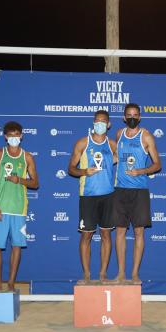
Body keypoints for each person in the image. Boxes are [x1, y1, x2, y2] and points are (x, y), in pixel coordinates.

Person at [0, 121, 39, 293]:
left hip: (19, 210)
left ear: (22, 136)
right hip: (0, 208)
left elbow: (35, 183)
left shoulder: (27, 157)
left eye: (17, 135)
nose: (14, 138)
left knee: (17, 246)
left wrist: (20, 180)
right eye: (10, 135)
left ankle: (10, 282)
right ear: (5, 137)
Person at [113, 103, 162, 283]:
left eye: (135, 115)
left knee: (139, 232)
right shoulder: (119, 134)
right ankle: (120, 273)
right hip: (119, 190)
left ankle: (134, 274)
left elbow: (158, 164)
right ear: (124, 118)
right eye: (129, 115)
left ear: (139, 117)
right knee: (119, 231)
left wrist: (140, 171)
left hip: (139, 190)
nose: (132, 117)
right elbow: (118, 157)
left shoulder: (146, 136)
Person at [68, 110, 117, 283]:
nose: (100, 124)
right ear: (93, 123)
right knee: (86, 236)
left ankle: (103, 274)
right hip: (88, 196)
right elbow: (71, 169)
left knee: (106, 235)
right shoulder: (83, 143)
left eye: (103, 122)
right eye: (97, 121)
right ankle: (87, 274)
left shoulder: (112, 145)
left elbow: (123, 160)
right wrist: (84, 172)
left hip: (108, 196)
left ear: (108, 125)